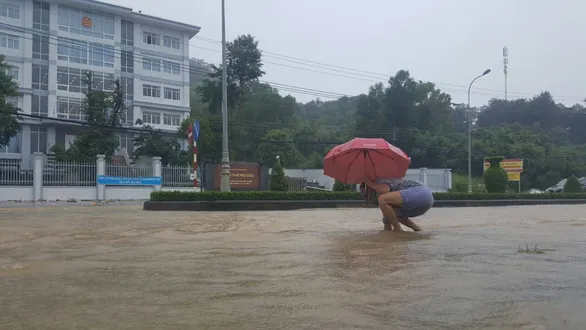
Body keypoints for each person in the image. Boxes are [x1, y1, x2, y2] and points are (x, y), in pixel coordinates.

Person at [363, 178, 434, 232]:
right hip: (426, 201)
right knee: (395, 216)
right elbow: (388, 220)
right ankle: (419, 231)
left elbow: (386, 189)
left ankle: (398, 230)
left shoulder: (381, 177)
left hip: (420, 192)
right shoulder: (388, 203)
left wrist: (368, 182)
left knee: (382, 199)